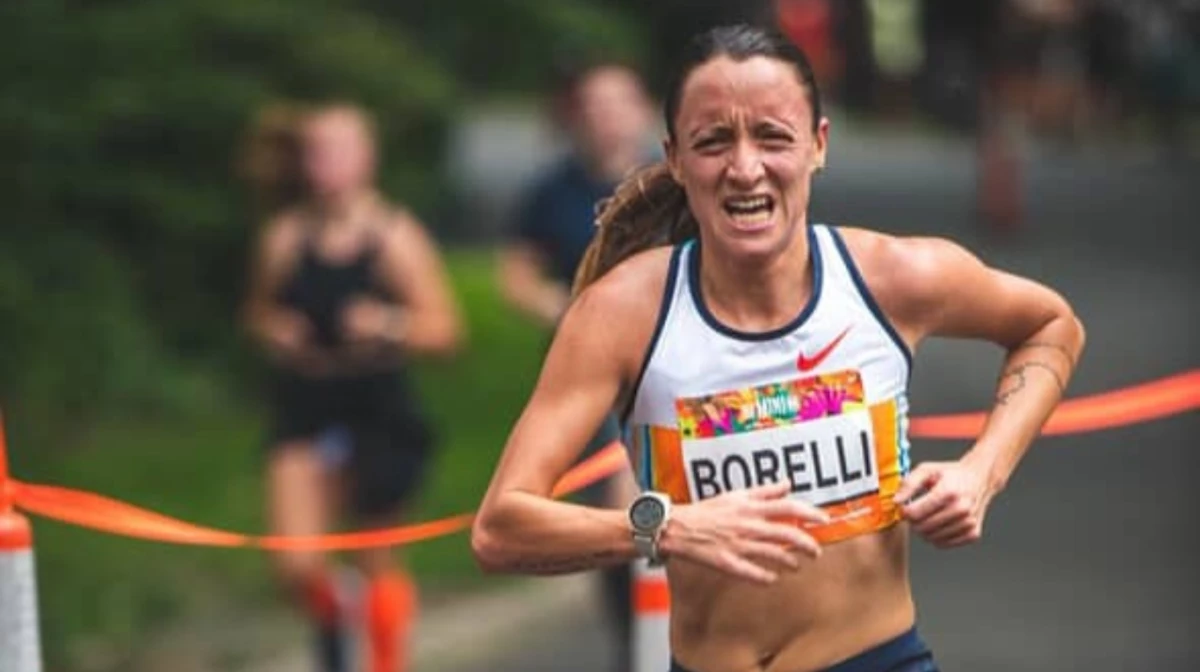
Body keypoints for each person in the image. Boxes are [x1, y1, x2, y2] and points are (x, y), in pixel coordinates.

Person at [472, 23, 1085, 672]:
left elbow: (1052, 325)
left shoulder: (894, 277)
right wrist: (669, 525)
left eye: (772, 137)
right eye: (713, 141)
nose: (745, 169)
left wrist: (981, 473)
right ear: (675, 157)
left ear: (818, 145)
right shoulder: (622, 313)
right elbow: (500, 528)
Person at [241, 102, 463, 672]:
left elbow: (446, 332)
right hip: (307, 402)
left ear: (367, 157)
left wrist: (386, 324)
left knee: (377, 556)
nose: (327, 163)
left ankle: (384, 660)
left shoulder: (394, 236)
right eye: (317, 150)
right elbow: (257, 313)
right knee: (295, 562)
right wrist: (275, 329)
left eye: (340, 149)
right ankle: (339, 620)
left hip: (376, 403)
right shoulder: (285, 237)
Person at [496, 58, 655, 671]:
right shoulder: (551, 191)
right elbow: (515, 277)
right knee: (618, 516)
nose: (606, 117)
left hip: (663, 368)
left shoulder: (670, 183)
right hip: (589, 377)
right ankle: (637, 640)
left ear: (642, 110)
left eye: (618, 103)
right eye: (593, 105)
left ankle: (661, 638)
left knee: (643, 508)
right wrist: (570, 311)